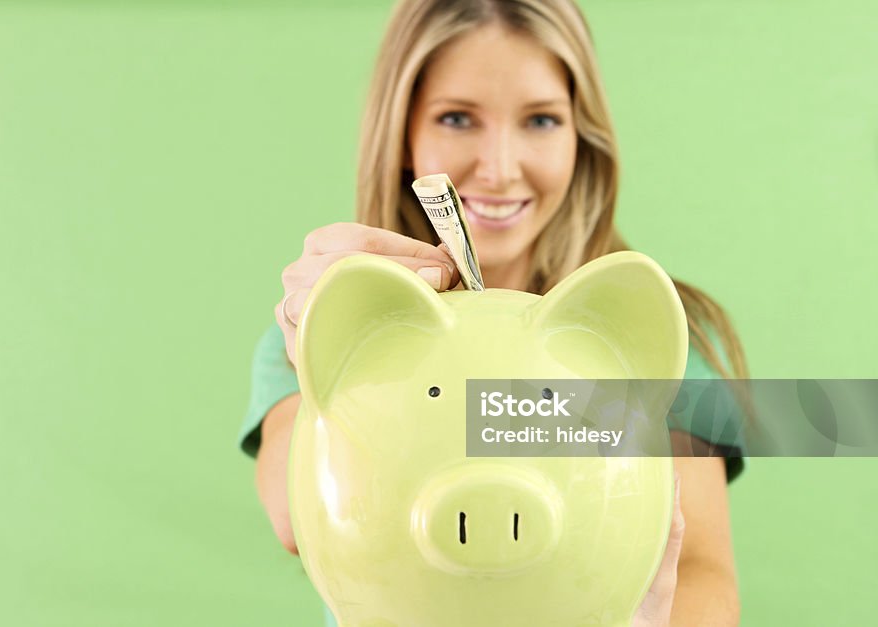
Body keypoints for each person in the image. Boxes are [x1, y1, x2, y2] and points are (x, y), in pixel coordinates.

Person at [239, 0, 747, 624]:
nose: (500, 169)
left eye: (540, 121)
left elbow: (702, 574)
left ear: (579, 136)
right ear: (403, 134)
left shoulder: (639, 338)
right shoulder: (328, 326)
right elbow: (294, 518)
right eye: (457, 118)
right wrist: (325, 348)